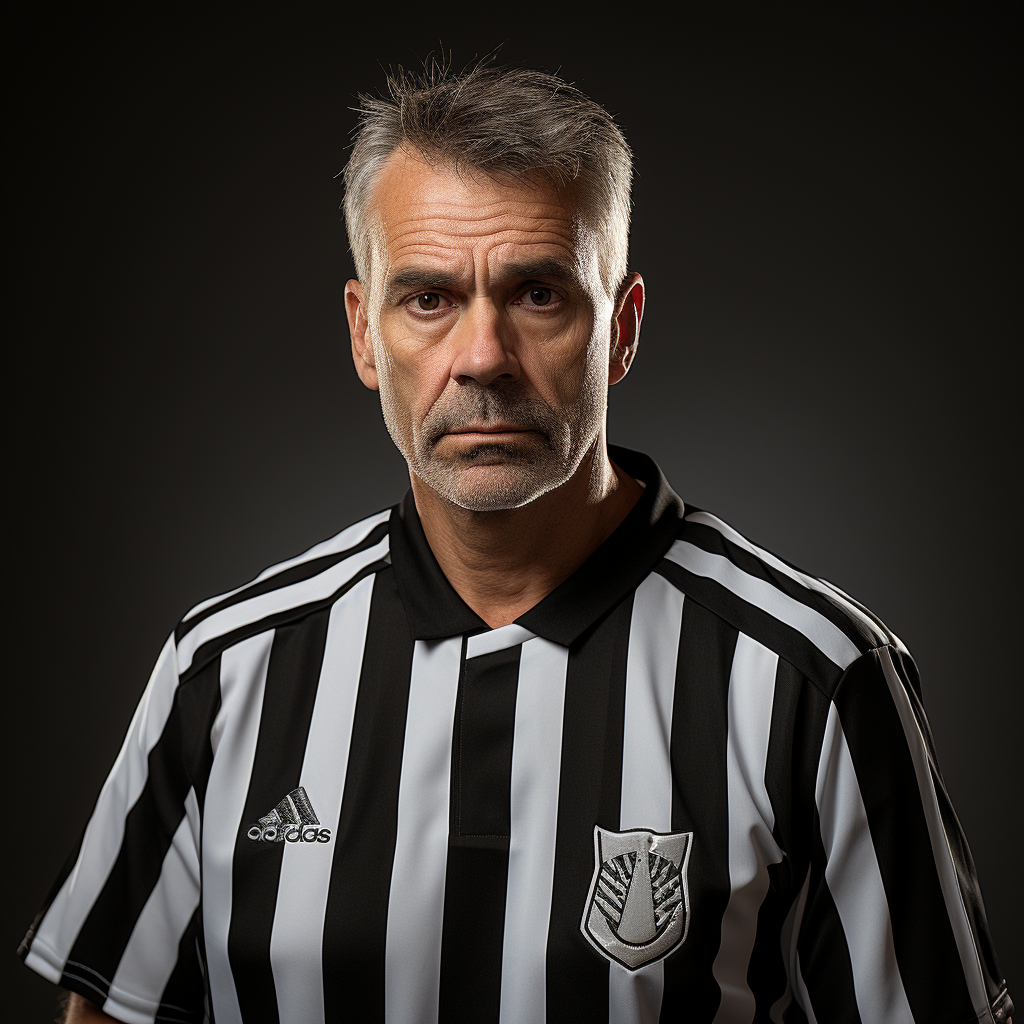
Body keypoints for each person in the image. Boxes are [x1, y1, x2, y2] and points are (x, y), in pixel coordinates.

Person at [19, 59, 1013, 1024]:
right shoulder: (224, 670)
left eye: (538, 293)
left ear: (619, 328)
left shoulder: (814, 676)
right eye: (429, 298)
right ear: (366, 335)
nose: (484, 356)